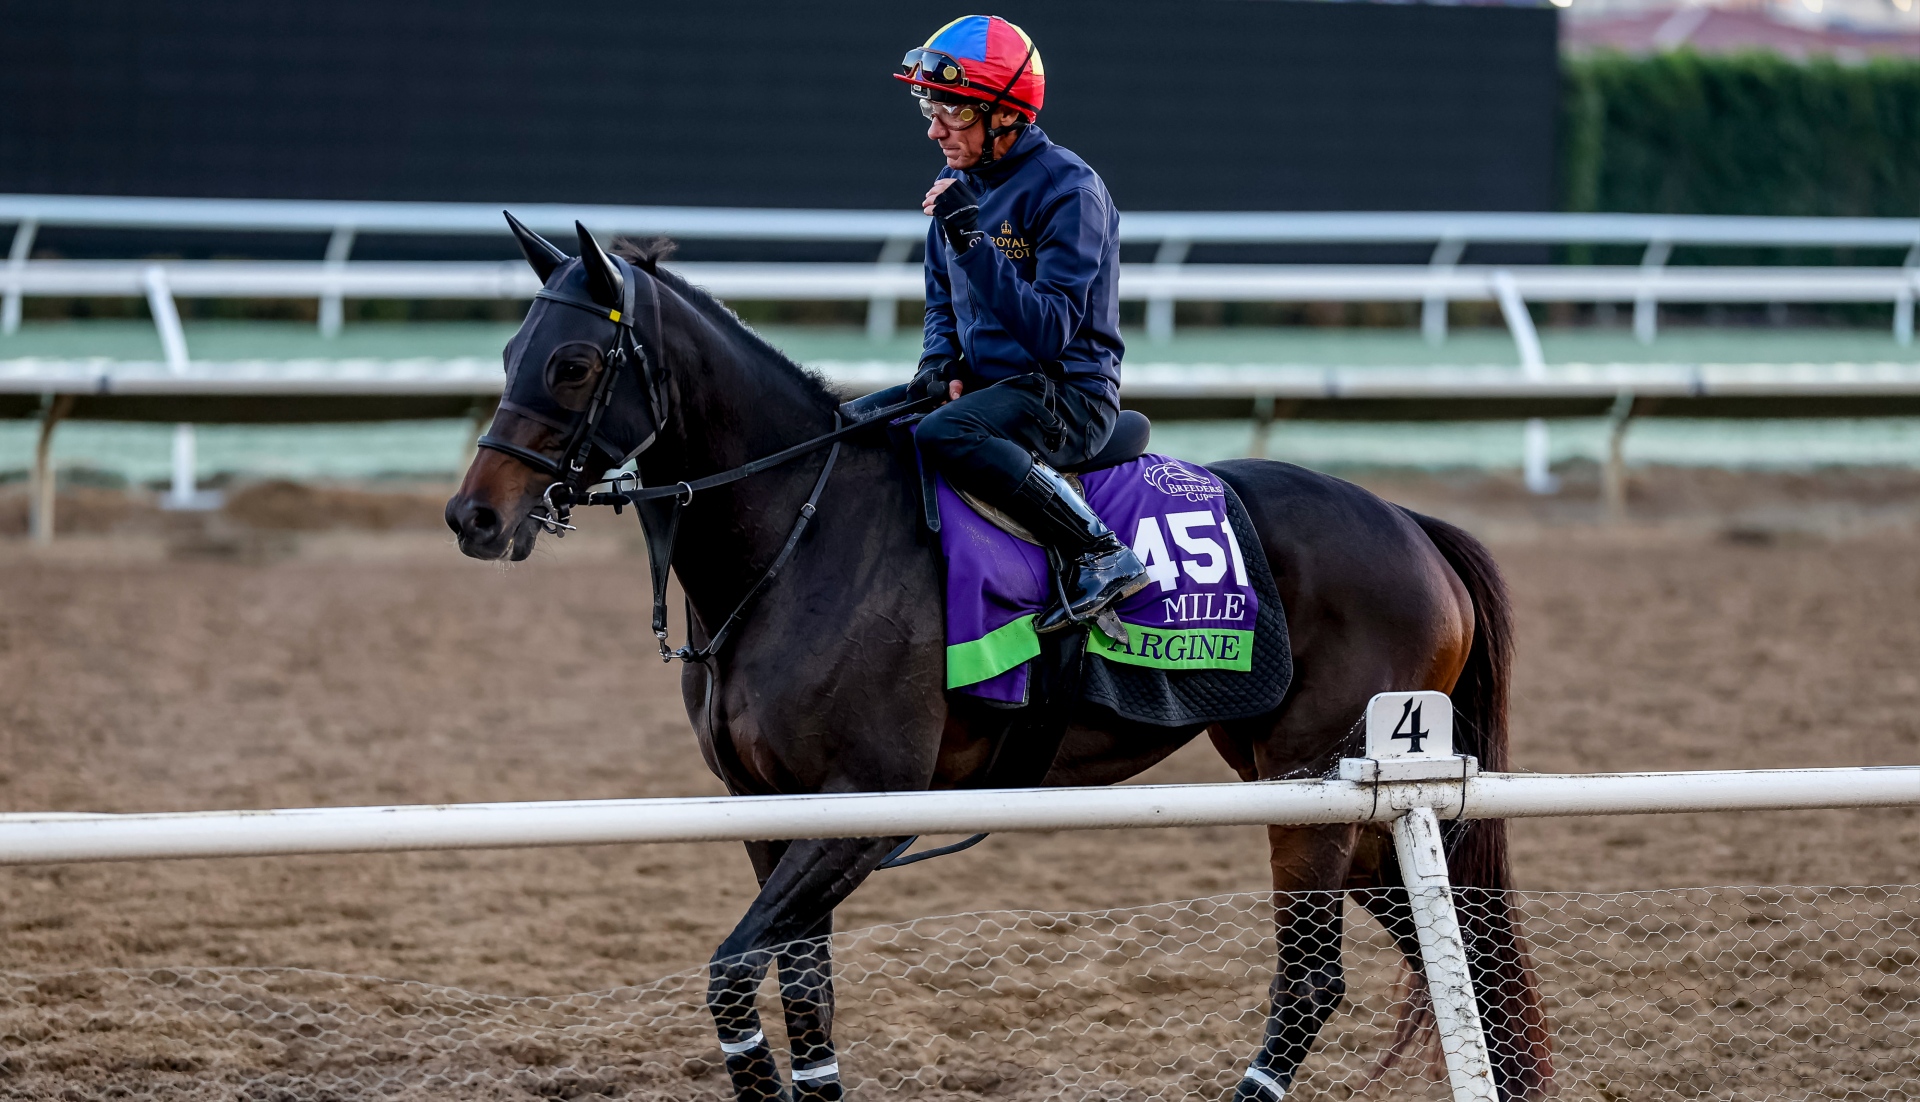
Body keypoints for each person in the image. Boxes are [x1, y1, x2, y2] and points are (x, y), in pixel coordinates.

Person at [864, 14, 1148, 634]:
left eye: (956, 112)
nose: (937, 129)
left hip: (1068, 396)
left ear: (1008, 114)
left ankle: (1100, 550)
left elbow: (1048, 332)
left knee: (942, 435)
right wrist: (940, 365)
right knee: (850, 425)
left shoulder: (1070, 189)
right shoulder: (957, 182)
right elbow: (943, 302)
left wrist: (971, 237)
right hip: (995, 394)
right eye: (931, 108)